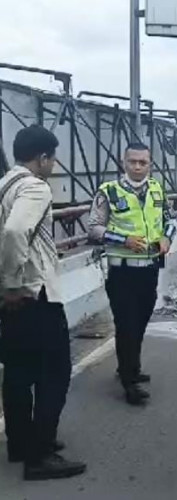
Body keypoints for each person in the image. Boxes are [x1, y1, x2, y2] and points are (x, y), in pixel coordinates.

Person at [0, 125, 87, 480]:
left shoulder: (5, 184)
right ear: (43, 158)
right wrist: (10, 282)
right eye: (52, 158)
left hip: (15, 300)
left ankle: (20, 444)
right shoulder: (34, 187)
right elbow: (15, 231)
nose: (54, 165)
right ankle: (40, 454)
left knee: (18, 373)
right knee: (55, 374)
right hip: (36, 295)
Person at [87, 143, 176, 406]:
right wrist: (123, 239)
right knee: (126, 324)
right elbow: (94, 228)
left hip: (149, 269)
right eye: (132, 162)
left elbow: (170, 220)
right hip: (122, 271)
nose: (137, 167)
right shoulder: (109, 192)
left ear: (150, 164)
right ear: (123, 163)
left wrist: (166, 239)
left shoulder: (158, 189)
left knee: (140, 321)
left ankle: (130, 366)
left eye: (143, 162)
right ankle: (129, 381)